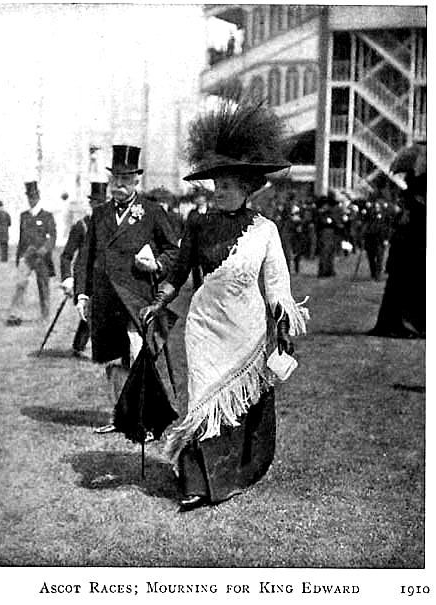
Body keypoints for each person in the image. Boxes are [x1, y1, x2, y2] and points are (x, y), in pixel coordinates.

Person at [140, 96, 309, 512]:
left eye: (229, 187)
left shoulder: (266, 231)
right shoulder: (197, 222)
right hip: (204, 328)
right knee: (202, 398)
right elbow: (179, 271)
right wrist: (161, 299)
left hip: (246, 331)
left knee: (235, 405)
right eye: (216, 186)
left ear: (248, 189)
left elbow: (277, 287)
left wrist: (283, 328)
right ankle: (197, 482)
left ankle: (230, 474)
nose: (219, 193)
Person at [75, 145, 179, 434]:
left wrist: (156, 265)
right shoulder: (100, 214)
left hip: (135, 298)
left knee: (136, 356)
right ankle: (119, 416)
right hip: (105, 298)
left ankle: (143, 419)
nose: (119, 185)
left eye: (125, 179)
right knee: (111, 358)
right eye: (115, 179)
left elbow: (174, 251)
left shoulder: (152, 212)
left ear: (136, 181)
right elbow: (86, 255)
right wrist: (83, 294)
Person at [368, 146, 426, 338]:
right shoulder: (415, 198)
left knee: (400, 287)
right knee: (407, 286)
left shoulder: (410, 197)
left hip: (407, 247)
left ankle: (401, 323)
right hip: (411, 247)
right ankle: (402, 324)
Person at [60, 182, 107, 357]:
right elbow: (66, 255)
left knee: (97, 314)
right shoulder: (81, 226)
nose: (99, 207)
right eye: (96, 203)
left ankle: (80, 346)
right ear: (91, 204)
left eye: (103, 203)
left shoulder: (111, 227)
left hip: (105, 277)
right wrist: (67, 278)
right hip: (85, 279)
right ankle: (81, 347)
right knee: (91, 312)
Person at [6, 182, 56, 325]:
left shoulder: (47, 216)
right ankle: (15, 315)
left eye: (34, 196)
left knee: (43, 286)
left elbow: (52, 236)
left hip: (42, 257)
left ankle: (45, 316)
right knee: (20, 284)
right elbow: (22, 239)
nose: (31, 199)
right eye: (29, 197)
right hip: (26, 256)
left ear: (38, 197)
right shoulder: (24, 216)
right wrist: (19, 258)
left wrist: (45, 249)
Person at [316, 194, 342, 278]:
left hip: (331, 232)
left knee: (330, 252)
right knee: (325, 252)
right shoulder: (324, 211)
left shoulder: (329, 211)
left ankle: (329, 270)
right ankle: (324, 271)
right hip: (326, 231)